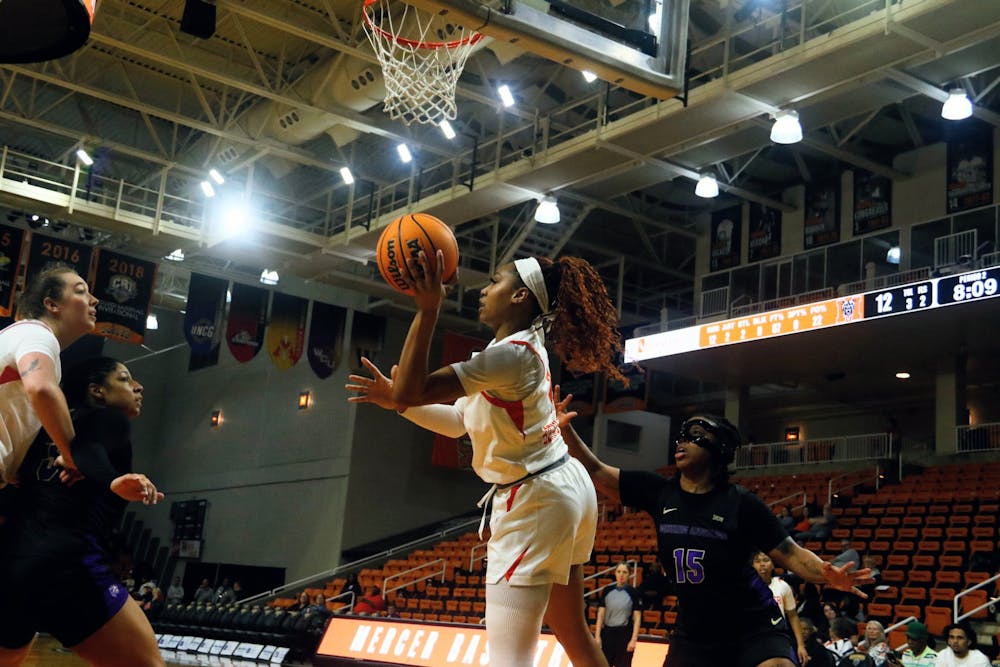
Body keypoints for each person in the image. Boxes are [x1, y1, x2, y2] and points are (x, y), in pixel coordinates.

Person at [347, 252, 626, 667]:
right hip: (562, 485)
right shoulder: (511, 350)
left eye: (494, 281)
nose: (482, 289)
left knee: (508, 659)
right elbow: (459, 419)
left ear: (520, 296)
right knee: (574, 635)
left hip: (536, 499)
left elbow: (411, 388)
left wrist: (427, 310)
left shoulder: (510, 356)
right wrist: (400, 404)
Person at [561, 408, 871, 667]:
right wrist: (565, 431)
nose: (683, 440)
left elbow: (790, 553)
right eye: (682, 434)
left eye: (696, 435)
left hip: (752, 625)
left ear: (719, 450)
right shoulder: (659, 491)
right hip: (694, 631)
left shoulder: (741, 503)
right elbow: (597, 470)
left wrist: (826, 574)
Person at [0, 356, 164, 667]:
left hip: (11, 564)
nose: (138, 387)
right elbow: (88, 451)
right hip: (68, 566)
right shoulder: (109, 420)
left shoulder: (42, 433)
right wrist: (113, 479)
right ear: (98, 391)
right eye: (126, 379)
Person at [0, 266, 99, 489]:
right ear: (52, 305)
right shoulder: (37, 333)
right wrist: (72, 455)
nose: (94, 300)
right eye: (81, 291)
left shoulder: (19, 335)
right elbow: (41, 389)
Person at [753, 551, 808, 665]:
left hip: (779, 636)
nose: (762, 564)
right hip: (755, 637)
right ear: (752, 565)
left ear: (773, 564)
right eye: (757, 561)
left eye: (766, 560)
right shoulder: (747, 587)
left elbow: (793, 616)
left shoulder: (782, 585)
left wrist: (801, 645)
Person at [594, 563, 641, 667]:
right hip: (607, 635)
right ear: (615, 573)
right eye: (619, 571)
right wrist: (597, 636)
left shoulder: (633, 593)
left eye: (625, 572)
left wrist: (633, 640)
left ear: (629, 575)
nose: (621, 575)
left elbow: (637, 618)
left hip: (624, 636)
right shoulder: (607, 590)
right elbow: (600, 615)